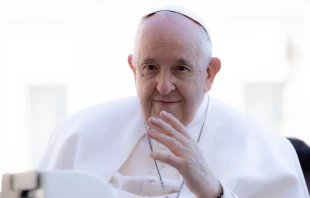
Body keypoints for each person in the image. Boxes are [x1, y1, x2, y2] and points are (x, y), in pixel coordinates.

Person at [37, 5, 309, 198]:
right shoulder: (77, 135)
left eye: (180, 68)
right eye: (150, 68)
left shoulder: (266, 151)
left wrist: (213, 191)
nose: (163, 86)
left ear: (208, 73)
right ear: (134, 69)